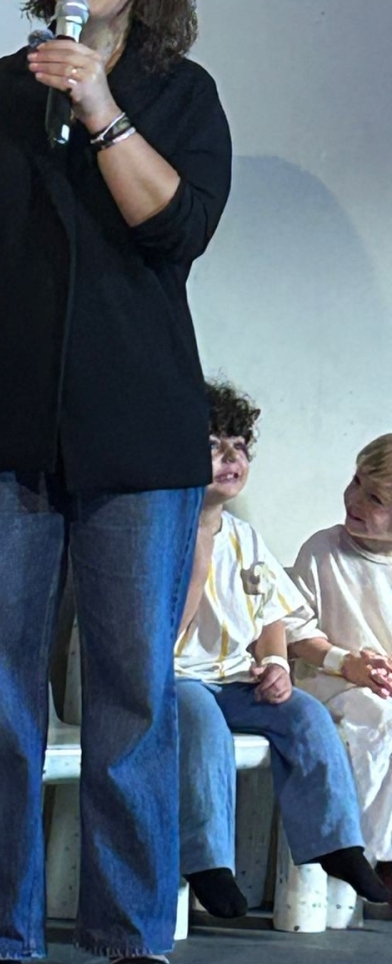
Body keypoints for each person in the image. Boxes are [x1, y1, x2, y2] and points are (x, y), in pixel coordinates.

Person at [0, 0, 232, 963]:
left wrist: (99, 104)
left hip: (138, 439)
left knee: (131, 701)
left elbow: (175, 228)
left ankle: (130, 939)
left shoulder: (182, 95)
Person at [174, 381, 386, 918]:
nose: (231, 457)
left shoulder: (245, 537)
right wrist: (198, 556)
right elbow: (159, 636)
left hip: (234, 678)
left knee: (305, 716)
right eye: (213, 446)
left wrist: (273, 662)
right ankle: (208, 862)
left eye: (240, 446)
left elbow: (272, 614)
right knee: (203, 725)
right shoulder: (162, 533)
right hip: (176, 680)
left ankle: (338, 844)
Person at [289, 433, 392, 895]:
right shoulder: (323, 550)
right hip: (328, 679)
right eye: (356, 482)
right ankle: (367, 853)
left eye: (375, 498)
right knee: (380, 716)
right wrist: (345, 660)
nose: (354, 499)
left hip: (381, 683)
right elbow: (295, 630)